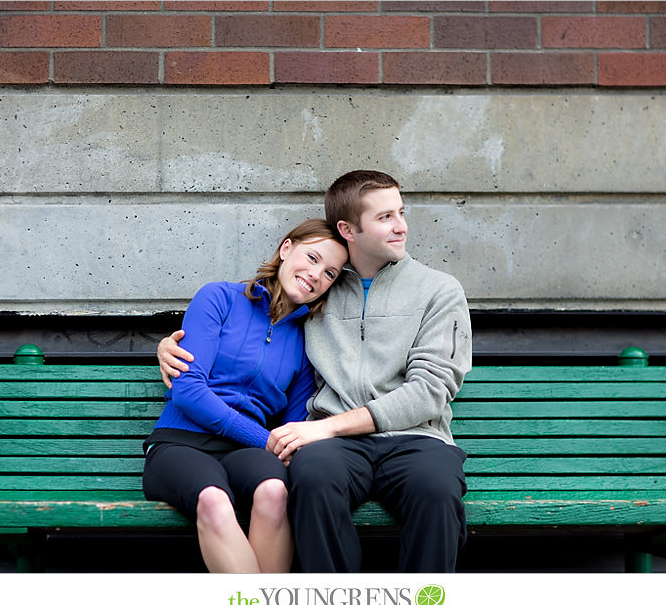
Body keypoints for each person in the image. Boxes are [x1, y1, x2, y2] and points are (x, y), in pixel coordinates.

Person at [158, 171, 472, 572]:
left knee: (435, 488)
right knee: (312, 478)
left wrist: (326, 428)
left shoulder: (438, 290)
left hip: (413, 439)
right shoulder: (319, 293)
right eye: (385, 217)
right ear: (349, 229)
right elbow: (259, 325)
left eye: (401, 212)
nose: (401, 226)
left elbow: (431, 390)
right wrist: (170, 345)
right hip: (334, 448)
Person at [143, 218, 347, 573]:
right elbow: (188, 392)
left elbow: (293, 423)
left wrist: (279, 445)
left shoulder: (306, 339)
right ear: (286, 249)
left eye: (330, 273)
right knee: (214, 501)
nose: (317, 275)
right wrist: (263, 438)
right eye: (312, 258)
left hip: (247, 454)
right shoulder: (219, 298)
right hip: (182, 442)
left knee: (274, 492)